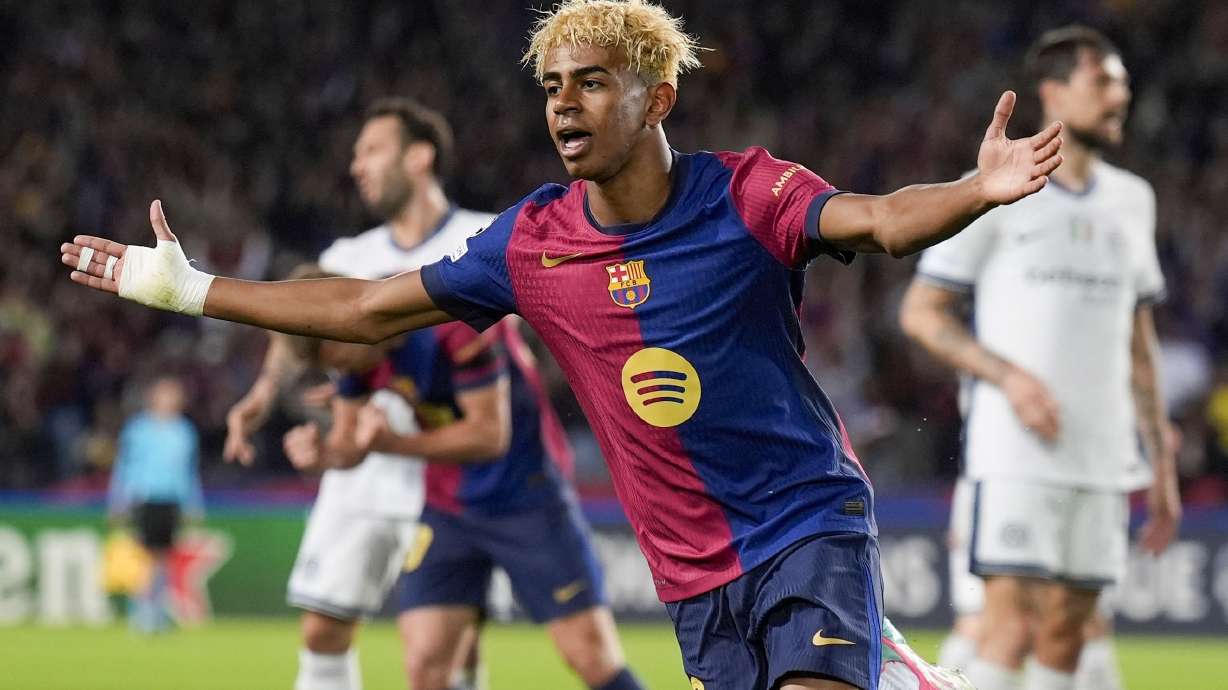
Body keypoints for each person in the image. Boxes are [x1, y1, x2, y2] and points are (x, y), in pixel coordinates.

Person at [61, 1, 1065, 687]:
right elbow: (365, 309)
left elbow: (882, 219)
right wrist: (192, 291)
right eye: (552, 85)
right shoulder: (531, 241)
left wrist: (973, 190)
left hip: (806, 519)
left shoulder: (748, 193)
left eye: (591, 83)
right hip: (692, 571)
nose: (562, 105)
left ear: (657, 98)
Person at [899, 25, 1181, 690]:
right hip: (1017, 450)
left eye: (1124, 84)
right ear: (1053, 93)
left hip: (1103, 456)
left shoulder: (1132, 200)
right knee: (1008, 629)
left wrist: (1160, 463)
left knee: (1069, 636)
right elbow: (921, 314)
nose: (1122, 97)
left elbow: (1140, 347)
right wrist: (1011, 378)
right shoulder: (999, 188)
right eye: (1105, 82)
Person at [222, 98, 494, 690]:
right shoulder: (348, 258)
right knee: (322, 630)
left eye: (371, 150)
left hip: (450, 472)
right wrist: (265, 394)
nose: (356, 166)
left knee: (452, 647)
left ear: (419, 157)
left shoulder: (483, 236)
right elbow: (298, 327)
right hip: (363, 472)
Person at [277, 272, 645, 690]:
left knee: (591, 658)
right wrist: (322, 453)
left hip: (525, 498)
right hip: (447, 508)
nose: (335, 371)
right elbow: (349, 444)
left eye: (333, 358)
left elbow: (488, 436)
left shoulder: (450, 323)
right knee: (425, 667)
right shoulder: (358, 352)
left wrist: (392, 443)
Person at [106, 375, 205, 633]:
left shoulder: (184, 431)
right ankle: (141, 613)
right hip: (145, 497)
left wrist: (193, 503)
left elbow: (189, 470)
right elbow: (124, 467)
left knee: (164, 558)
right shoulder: (138, 430)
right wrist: (118, 500)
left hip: (171, 499)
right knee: (145, 556)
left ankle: (158, 612)